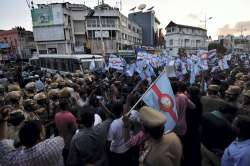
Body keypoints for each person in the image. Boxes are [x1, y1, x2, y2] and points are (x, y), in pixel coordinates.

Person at [0, 106, 65, 166]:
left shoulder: (14, 160)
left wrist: (4, 119)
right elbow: (62, 136)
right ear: (41, 135)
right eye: (43, 130)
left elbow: (3, 143)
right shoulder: (54, 145)